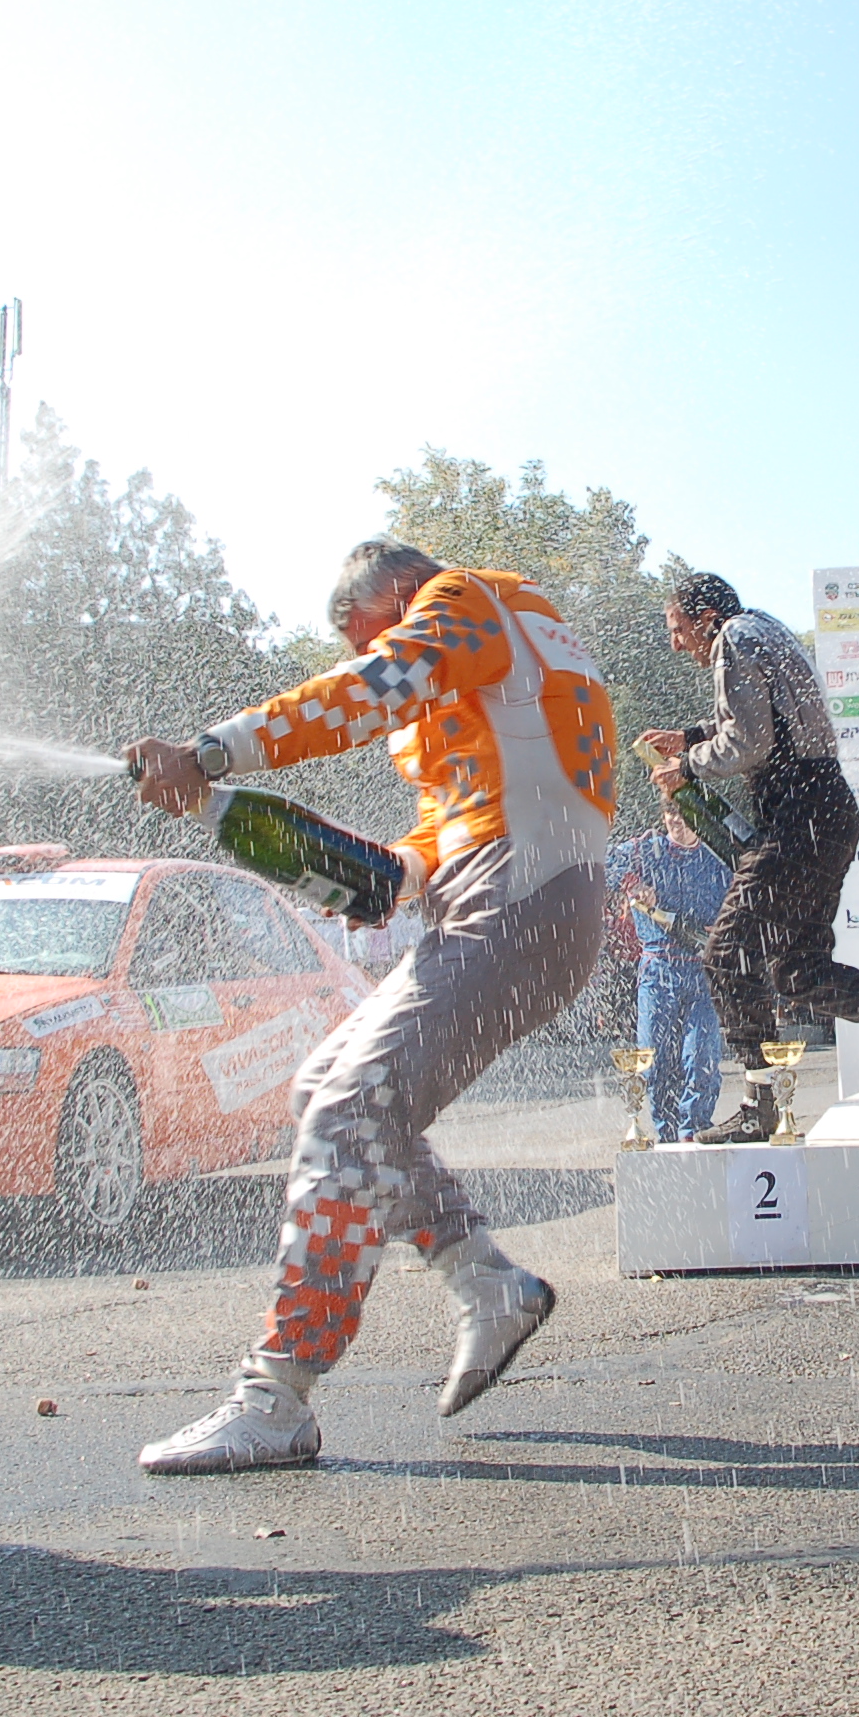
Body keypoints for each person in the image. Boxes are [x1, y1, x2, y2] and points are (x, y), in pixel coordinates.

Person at [123, 538, 614, 1473]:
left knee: (352, 1108)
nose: (357, 649)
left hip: (522, 898)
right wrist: (350, 864)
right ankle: (488, 1284)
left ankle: (276, 1396)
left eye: (358, 628)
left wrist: (208, 751)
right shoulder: (506, 667)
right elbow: (430, 847)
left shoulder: (461, 600)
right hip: (513, 897)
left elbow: (373, 688)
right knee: (324, 1091)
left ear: (399, 589)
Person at [640, 572, 859, 1143]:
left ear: (705, 618)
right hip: (828, 813)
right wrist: (689, 735)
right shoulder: (764, 627)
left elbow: (749, 742)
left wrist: (687, 766)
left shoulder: (731, 639)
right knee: (798, 971)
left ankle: (760, 1106)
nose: (676, 644)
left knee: (725, 954)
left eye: (678, 629)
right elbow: (768, 719)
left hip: (799, 818)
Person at [607, 810, 731, 1141]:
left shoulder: (718, 855)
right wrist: (633, 885)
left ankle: (695, 1131)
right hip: (658, 971)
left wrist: (727, 927)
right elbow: (601, 864)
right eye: (670, 812)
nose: (677, 820)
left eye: (684, 812)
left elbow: (745, 896)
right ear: (662, 815)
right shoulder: (645, 849)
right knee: (656, 1061)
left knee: (701, 1056)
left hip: (704, 972)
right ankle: (666, 1135)